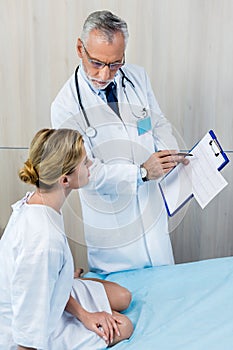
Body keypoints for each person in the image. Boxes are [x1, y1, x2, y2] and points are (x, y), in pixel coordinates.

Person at [51, 10, 189, 274]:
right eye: (97, 63)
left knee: (165, 292)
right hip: (113, 230)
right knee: (125, 302)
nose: (105, 75)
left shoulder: (137, 78)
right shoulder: (65, 106)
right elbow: (85, 172)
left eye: (115, 64)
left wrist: (167, 151)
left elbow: (157, 123)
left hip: (152, 214)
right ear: (80, 48)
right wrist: (142, 172)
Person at [0, 128, 133, 350]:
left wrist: (85, 315)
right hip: (29, 327)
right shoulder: (44, 242)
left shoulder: (35, 203)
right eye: (84, 163)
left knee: (123, 297)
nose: (90, 165)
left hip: (44, 292)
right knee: (124, 326)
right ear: (64, 179)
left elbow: (33, 278)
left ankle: (60, 280)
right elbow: (27, 330)